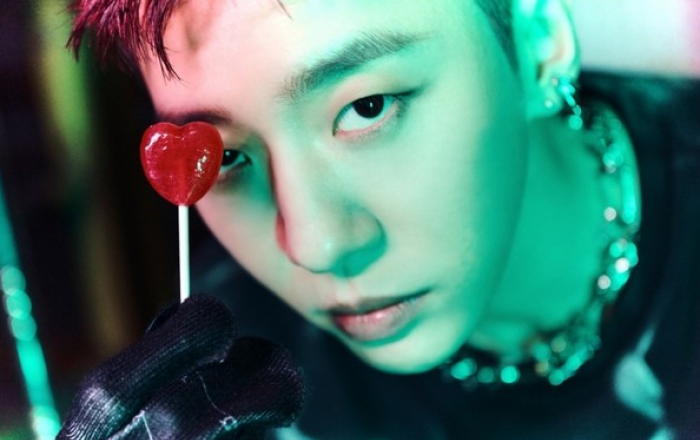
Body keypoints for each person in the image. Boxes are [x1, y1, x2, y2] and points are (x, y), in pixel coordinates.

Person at [60, 0, 700, 438]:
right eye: (226, 156)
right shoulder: (236, 377)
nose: (314, 245)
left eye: (368, 106)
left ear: (539, 44)